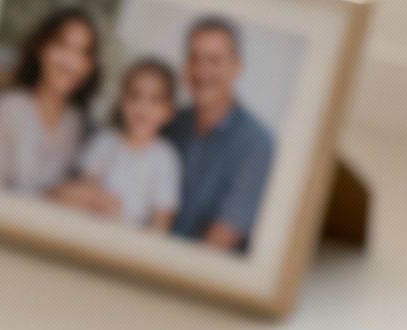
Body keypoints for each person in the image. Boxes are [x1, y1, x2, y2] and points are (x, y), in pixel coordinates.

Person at [164, 15, 275, 252]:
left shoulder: (256, 143)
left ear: (236, 67)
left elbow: (223, 238)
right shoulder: (171, 124)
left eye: (214, 61)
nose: (202, 71)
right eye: (195, 59)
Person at [0, 6, 102, 197]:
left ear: (89, 66)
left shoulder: (76, 124)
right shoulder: (7, 108)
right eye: (62, 46)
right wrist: (55, 196)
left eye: (82, 52)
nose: (70, 62)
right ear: (41, 48)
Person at [49, 58, 183, 231]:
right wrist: (94, 199)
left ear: (168, 111)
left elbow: (161, 223)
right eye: (135, 96)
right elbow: (84, 189)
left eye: (155, 100)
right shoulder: (105, 142)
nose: (142, 107)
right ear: (122, 102)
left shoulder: (165, 159)